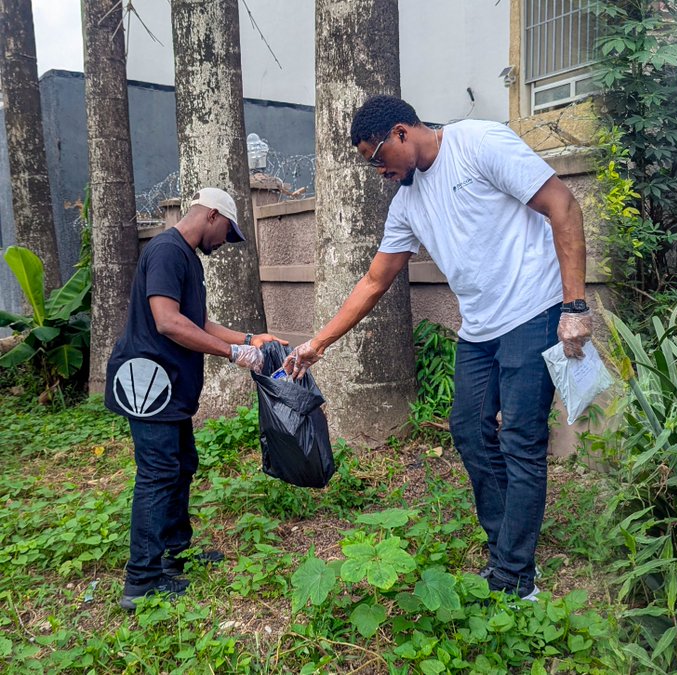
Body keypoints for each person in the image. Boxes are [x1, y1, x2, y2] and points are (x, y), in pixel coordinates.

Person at [284, 96, 590, 599]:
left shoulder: (478, 143)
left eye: (377, 156)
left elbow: (562, 205)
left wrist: (574, 306)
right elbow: (373, 280)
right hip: (479, 330)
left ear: (402, 132)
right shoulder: (407, 203)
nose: (378, 170)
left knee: (520, 440)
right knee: (469, 430)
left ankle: (516, 578)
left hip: (533, 311)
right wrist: (318, 342)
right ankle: (505, 559)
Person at [105, 187, 286, 610]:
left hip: (169, 386)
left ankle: (175, 555)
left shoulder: (186, 257)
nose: (225, 242)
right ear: (211, 216)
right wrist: (231, 353)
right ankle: (142, 581)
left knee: (182, 465)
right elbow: (168, 323)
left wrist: (247, 338)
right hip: (148, 384)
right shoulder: (167, 251)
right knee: (158, 474)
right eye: (227, 232)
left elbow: (197, 320)